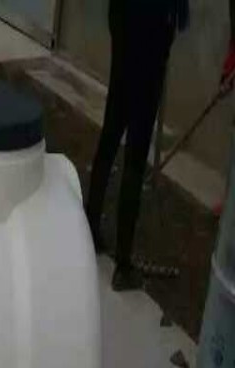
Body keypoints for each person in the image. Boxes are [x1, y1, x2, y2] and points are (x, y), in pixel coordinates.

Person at [85, 0, 193, 291]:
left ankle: (90, 225)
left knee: (111, 132)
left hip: (125, 21)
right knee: (136, 152)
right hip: (151, 33)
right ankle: (123, 265)